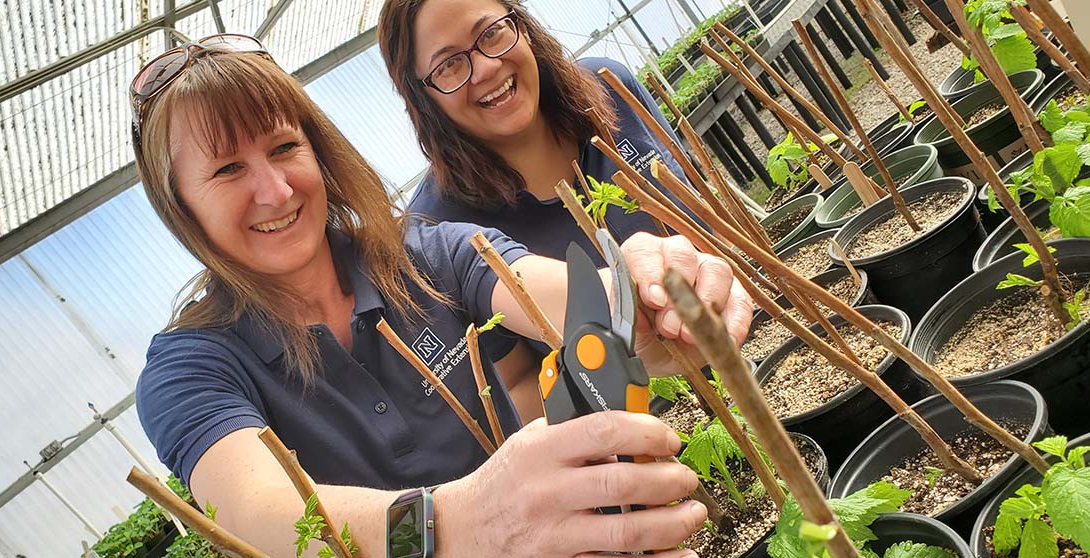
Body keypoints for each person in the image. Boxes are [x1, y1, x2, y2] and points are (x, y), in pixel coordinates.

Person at [130, 33, 752, 557]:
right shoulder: (191, 367)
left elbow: (556, 296)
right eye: (226, 170)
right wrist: (450, 523)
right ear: (182, 207)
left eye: (284, 147)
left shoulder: (421, 255)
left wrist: (642, 301)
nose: (275, 191)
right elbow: (263, 514)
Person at [378, 0, 698, 266]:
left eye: (491, 33)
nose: (486, 69)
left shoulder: (610, 87)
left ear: (523, 28)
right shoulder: (438, 229)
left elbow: (701, 213)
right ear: (423, 100)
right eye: (449, 65)